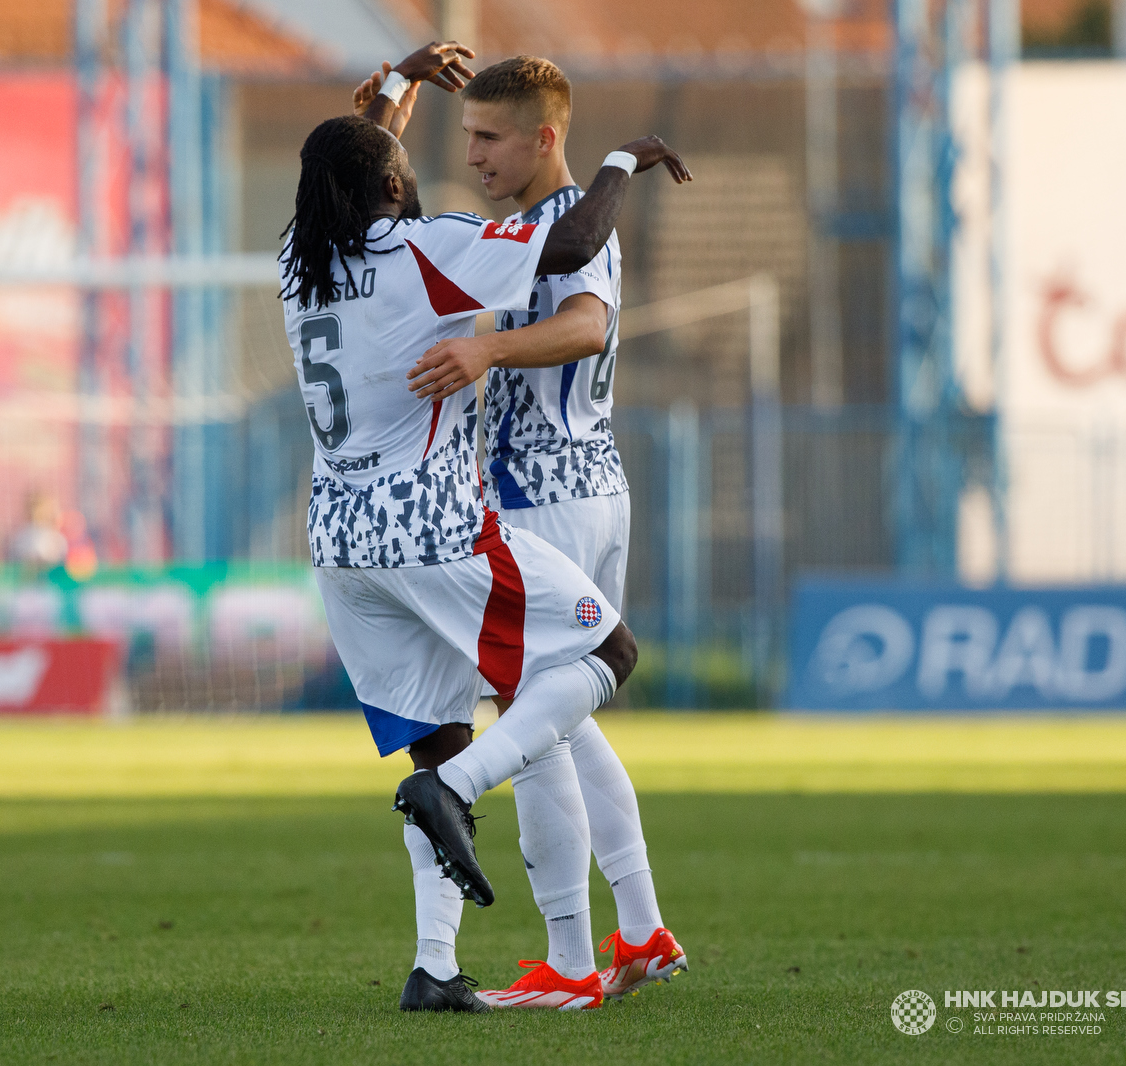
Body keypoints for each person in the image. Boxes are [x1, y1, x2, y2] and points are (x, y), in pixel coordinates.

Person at [285, 40, 688, 1013]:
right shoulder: (443, 245)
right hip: (447, 514)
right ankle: (609, 928)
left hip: (375, 529)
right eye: (450, 141)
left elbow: (584, 307)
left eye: (485, 136)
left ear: (540, 137)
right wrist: (625, 160)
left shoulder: (303, 261)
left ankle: (548, 943)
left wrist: (395, 90)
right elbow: (552, 239)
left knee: (517, 730)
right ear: (390, 185)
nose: (463, 158)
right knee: (565, 711)